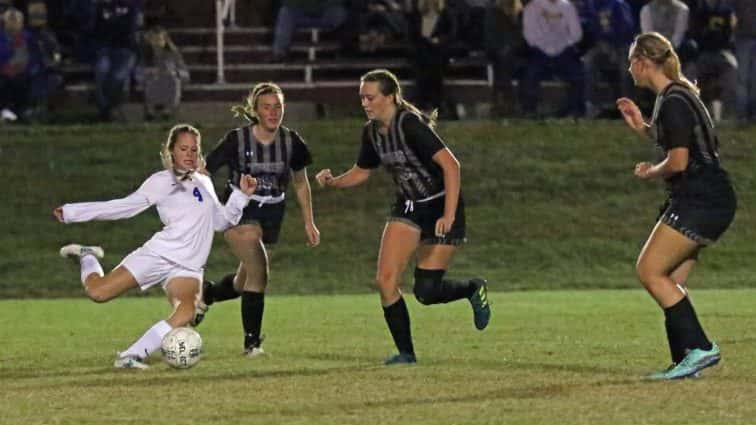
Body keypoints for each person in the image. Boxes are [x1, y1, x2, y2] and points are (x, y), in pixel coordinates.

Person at [314, 69, 491, 365]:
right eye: (362, 98)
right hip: (409, 206)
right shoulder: (371, 132)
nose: (365, 103)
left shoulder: (410, 125)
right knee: (385, 280)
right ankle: (406, 354)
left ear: (391, 97)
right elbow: (362, 171)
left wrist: (448, 214)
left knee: (426, 291)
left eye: (370, 97)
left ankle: (473, 288)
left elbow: (452, 166)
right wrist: (334, 181)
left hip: (440, 205)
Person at [54, 124, 257, 369]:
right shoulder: (161, 181)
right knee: (98, 293)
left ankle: (130, 356)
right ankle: (87, 256)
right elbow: (122, 207)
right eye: (184, 148)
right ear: (171, 151)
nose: (190, 154)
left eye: (194, 149)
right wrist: (72, 212)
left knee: (186, 313)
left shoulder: (204, 180)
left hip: (189, 267)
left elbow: (220, 221)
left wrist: (240, 197)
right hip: (159, 255)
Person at [616, 32, 736, 380]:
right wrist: (644, 129)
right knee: (670, 280)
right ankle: (686, 358)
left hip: (700, 197)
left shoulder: (673, 100)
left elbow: (679, 161)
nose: (629, 69)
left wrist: (650, 171)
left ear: (642, 61)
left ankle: (700, 348)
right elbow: (682, 140)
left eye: (630, 62)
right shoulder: (680, 94)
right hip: (710, 196)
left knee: (649, 271)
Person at [198, 82, 320, 357]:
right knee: (260, 272)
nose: (274, 112)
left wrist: (308, 222)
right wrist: (210, 208)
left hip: (272, 212)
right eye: (267, 107)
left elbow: (300, 183)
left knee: (245, 280)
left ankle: (209, 295)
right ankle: (251, 343)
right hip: (239, 212)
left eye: (278, 106)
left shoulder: (291, 142)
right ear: (255, 110)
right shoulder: (237, 140)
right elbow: (204, 171)